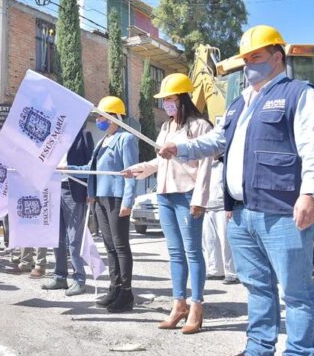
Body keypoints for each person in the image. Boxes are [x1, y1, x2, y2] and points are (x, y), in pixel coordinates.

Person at [157, 25, 314, 356]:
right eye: (246, 60)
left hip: (284, 210)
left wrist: (311, 194)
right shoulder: (239, 105)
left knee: (297, 293)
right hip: (244, 213)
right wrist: (181, 148)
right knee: (258, 288)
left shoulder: (299, 96)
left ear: (276, 58)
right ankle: (259, 354)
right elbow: (218, 141)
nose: (249, 65)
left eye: (256, 58)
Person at [123, 73, 213, 333]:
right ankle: (179, 305)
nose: (166, 104)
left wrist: (200, 199)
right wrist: (137, 169)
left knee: (193, 252)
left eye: (170, 99)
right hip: (164, 195)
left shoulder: (200, 126)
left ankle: (197, 306)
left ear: (183, 98)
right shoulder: (165, 128)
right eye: (164, 100)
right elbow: (159, 163)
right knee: (174, 253)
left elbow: (206, 165)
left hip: (188, 195)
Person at [71, 96, 138, 313]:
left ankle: (126, 293)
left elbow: (131, 172)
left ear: (114, 117)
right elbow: (91, 170)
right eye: (99, 116)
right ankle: (115, 287)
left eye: (102, 116)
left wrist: (128, 201)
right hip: (100, 198)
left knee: (120, 246)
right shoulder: (101, 142)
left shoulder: (125, 139)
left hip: (116, 198)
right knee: (109, 247)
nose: (99, 119)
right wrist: (66, 168)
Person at [42, 129, 94, 295]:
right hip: (52, 187)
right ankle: (59, 277)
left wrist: (90, 192)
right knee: (56, 237)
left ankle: (79, 279)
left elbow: (91, 166)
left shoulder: (84, 135)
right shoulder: (52, 135)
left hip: (73, 190)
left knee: (74, 239)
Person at [203, 157, 238, 284]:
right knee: (210, 241)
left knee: (226, 242)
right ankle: (215, 270)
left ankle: (232, 272)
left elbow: (229, 184)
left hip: (222, 207)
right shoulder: (204, 163)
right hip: (207, 207)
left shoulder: (225, 162)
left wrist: (230, 205)